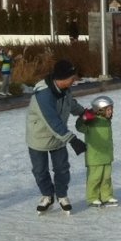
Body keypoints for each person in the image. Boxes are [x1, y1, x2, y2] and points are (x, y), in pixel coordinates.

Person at [26, 59, 87, 214]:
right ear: (62, 78)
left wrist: (84, 112)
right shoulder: (44, 95)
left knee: (62, 168)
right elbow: (52, 121)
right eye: (72, 78)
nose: (75, 81)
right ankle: (47, 195)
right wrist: (72, 139)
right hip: (39, 137)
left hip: (59, 137)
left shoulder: (65, 89)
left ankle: (61, 195)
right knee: (40, 170)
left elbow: (70, 104)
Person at [74, 95, 118, 207]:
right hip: (94, 157)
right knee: (95, 178)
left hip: (107, 155)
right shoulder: (91, 122)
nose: (110, 111)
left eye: (111, 109)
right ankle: (92, 198)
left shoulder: (106, 121)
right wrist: (83, 118)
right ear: (100, 110)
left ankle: (106, 196)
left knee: (106, 178)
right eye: (108, 109)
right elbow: (79, 127)